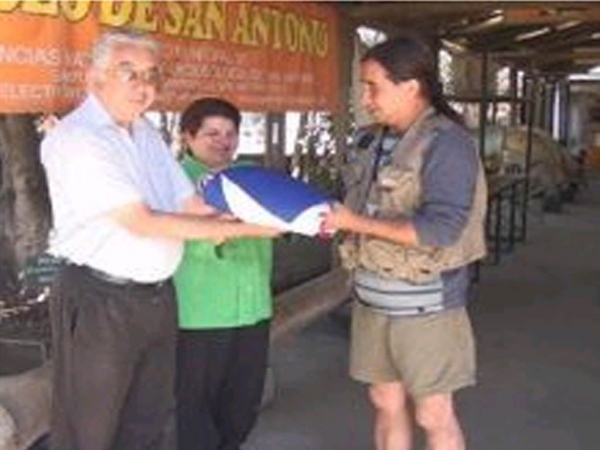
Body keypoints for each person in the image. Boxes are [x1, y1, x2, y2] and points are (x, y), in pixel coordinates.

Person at [41, 30, 278, 450]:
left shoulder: (143, 131)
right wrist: (248, 229)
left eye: (151, 75)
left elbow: (189, 204)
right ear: (94, 77)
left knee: (147, 421)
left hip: (156, 298)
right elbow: (142, 221)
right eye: (128, 72)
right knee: (90, 430)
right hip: (100, 301)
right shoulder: (78, 139)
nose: (142, 85)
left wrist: (281, 215)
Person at [322, 35, 487, 450]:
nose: (365, 97)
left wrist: (353, 220)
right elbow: (361, 206)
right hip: (373, 300)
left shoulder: (447, 143)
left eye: (373, 86)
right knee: (385, 402)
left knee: (434, 414)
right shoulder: (372, 141)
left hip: (426, 305)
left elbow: (441, 228)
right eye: (362, 86)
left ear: (411, 86)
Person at [173, 98, 274, 450]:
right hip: (200, 315)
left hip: (253, 311)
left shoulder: (251, 177)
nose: (223, 141)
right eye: (211, 133)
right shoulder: (176, 183)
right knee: (194, 414)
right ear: (187, 136)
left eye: (230, 133)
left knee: (242, 407)